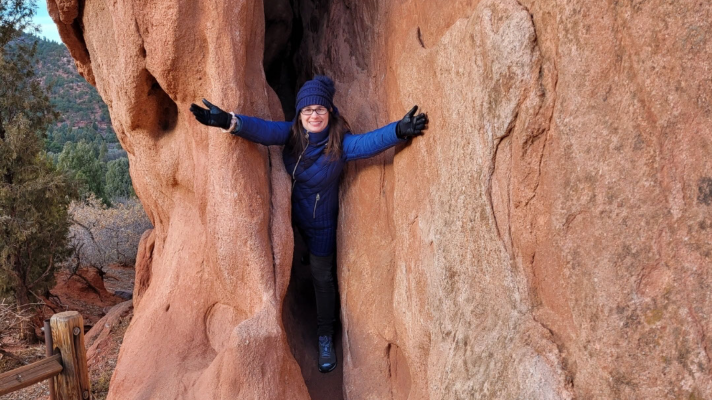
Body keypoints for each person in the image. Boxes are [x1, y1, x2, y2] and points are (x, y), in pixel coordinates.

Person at [190, 75, 428, 373]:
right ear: (299, 115)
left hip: (321, 229)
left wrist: (399, 130)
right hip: (292, 219)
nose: (313, 115)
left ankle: (325, 335)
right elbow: (261, 129)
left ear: (330, 113)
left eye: (320, 110)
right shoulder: (291, 136)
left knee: (322, 279)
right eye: (307, 110)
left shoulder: (340, 146)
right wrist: (226, 120)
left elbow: (369, 142)